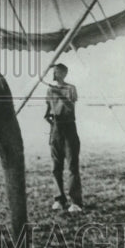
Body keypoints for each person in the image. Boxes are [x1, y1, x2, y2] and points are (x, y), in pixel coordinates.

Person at [44, 62, 83, 213]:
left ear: (64, 73)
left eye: (57, 72)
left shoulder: (70, 88)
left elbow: (70, 105)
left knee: (72, 165)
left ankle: (75, 202)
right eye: (53, 71)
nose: (54, 74)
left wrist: (58, 92)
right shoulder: (49, 90)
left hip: (69, 128)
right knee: (56, 167)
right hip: (56, 129)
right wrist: (51, 123)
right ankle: (59, 199)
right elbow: (48, 110)